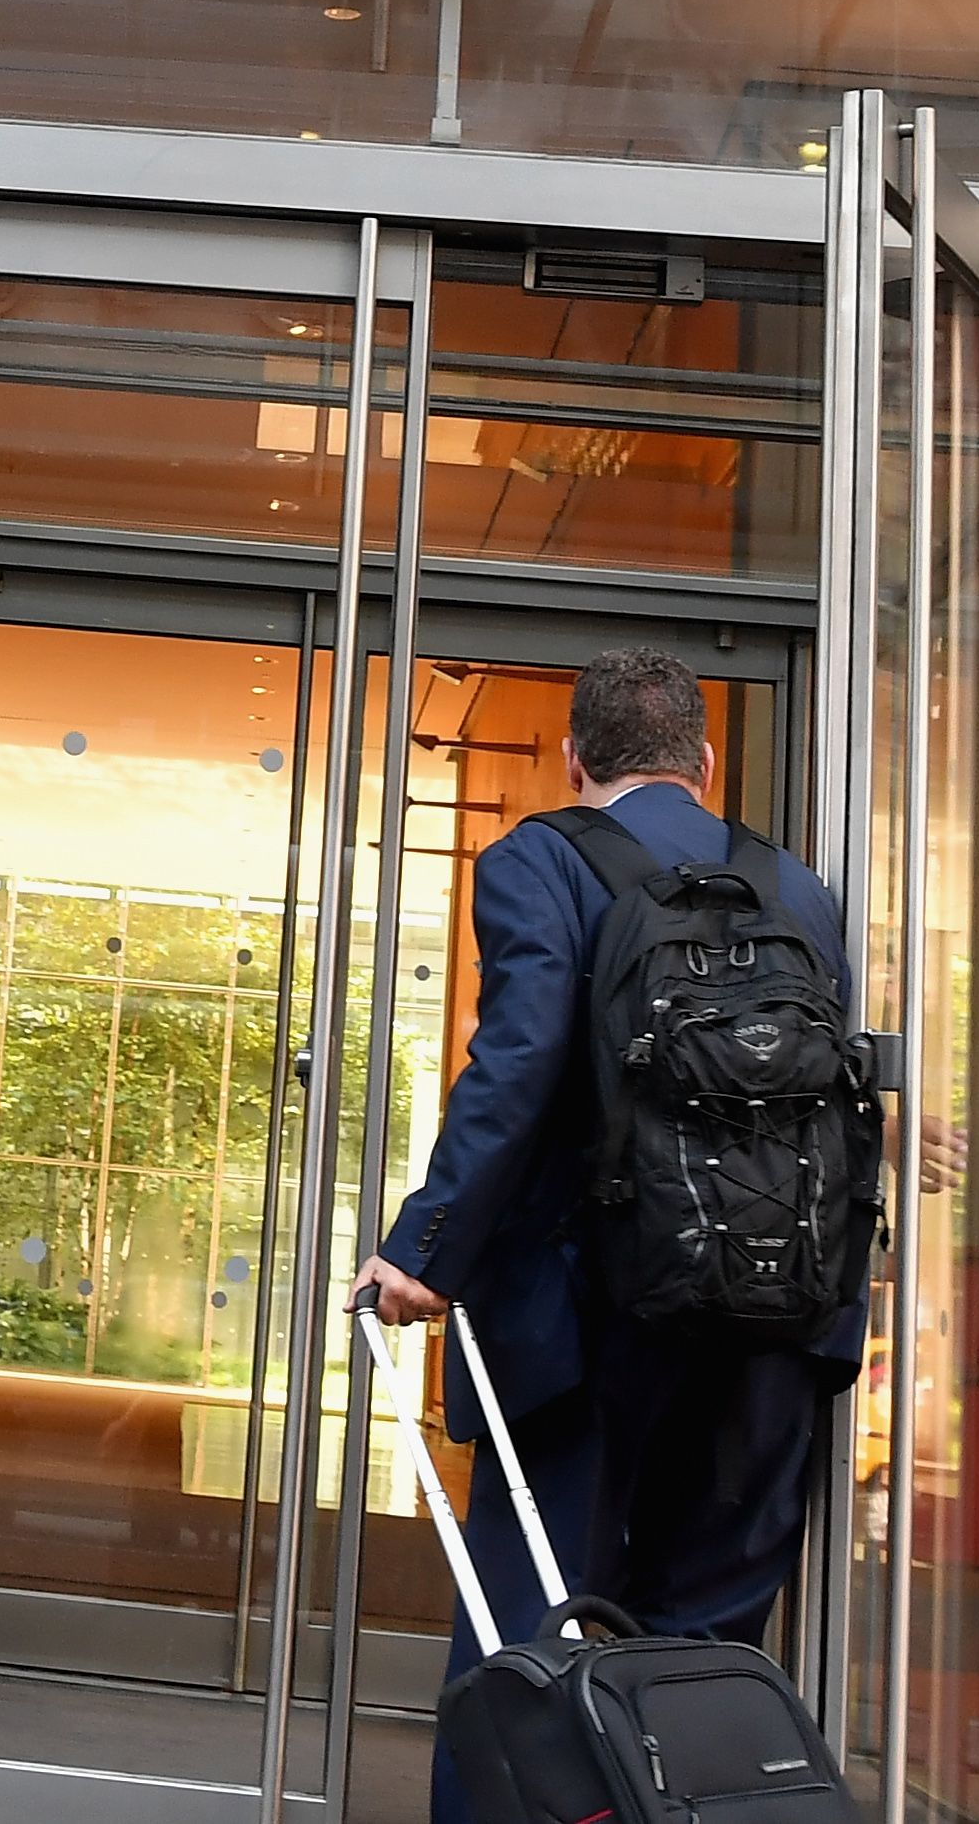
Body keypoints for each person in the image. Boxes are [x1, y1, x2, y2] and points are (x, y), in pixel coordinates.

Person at [353, 650, 865, 1809]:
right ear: (707, 761)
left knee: (529, 1637)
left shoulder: (541, 860)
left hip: (590, 1326)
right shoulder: (798, 888)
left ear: (576, 758)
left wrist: (421, 1248)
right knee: (706, 1656)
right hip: (776, 1331)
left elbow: (519, 1064)